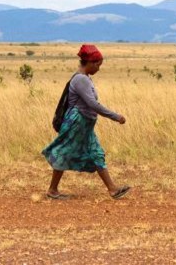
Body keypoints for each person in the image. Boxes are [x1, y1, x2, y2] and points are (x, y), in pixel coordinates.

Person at [42, 44, 131, 200]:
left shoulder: (84, 78)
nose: (98, 68)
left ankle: (112, 189)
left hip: (85, 125)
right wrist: (115, 116)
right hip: (77, 123)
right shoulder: (81, 80)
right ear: (89, 62)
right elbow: (93, 104)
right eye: (97, 64)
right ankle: (52, 190)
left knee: (96, 153)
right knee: (64, 152)